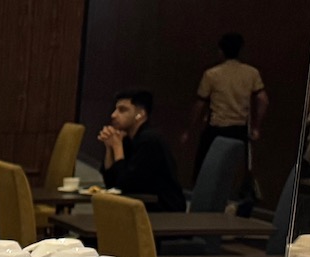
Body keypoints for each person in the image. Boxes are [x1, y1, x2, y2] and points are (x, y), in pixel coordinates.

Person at [185, 33, 267, 179]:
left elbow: (200, 104)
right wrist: (256, 127)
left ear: (221, 51)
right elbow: (263, 99)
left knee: (203, 171)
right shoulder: (252, 73)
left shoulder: (211, 74)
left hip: (216, 128)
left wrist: (188, 129)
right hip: (239, 129)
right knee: (231, 173)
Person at [97, 90, 185, 212]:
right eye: (115, 109)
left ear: (140, 114)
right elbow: (112, 184)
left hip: (162, 209)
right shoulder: (128, 139)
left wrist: (117, 147)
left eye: (122, 110)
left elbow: (126, 184)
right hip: (139, 205)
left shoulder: (150, 140)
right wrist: (109, 147)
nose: (113, 115)